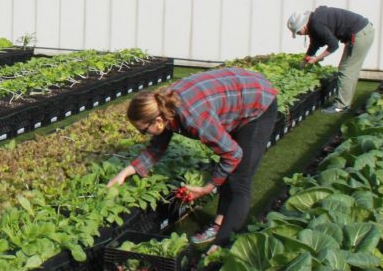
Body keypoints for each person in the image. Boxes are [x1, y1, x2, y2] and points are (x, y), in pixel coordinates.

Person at [107, 68, 278, 247]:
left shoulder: (193, 117)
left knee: (239, 182)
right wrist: (125, 173)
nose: (143, 134)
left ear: (158, 122)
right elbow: (157, 148)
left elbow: (233, 154)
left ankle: (221, 247)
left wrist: (207, 188)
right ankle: (219, 226)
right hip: (238, 95)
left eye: (143, 130)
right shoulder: (162, 105)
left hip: (258, 101)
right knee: (229, 171)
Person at [286, 6, 374, 113]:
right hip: (363, 31)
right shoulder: (314, 20)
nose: (300, 35)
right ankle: (345, 103)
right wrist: (306, 59)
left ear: (303, 26)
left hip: (360, 34)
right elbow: (315, 43)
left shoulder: (316, 24)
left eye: (298, 32)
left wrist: (317, 58)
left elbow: (333, 45)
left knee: (346, 70)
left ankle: (340, 107)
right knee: (349, 70)